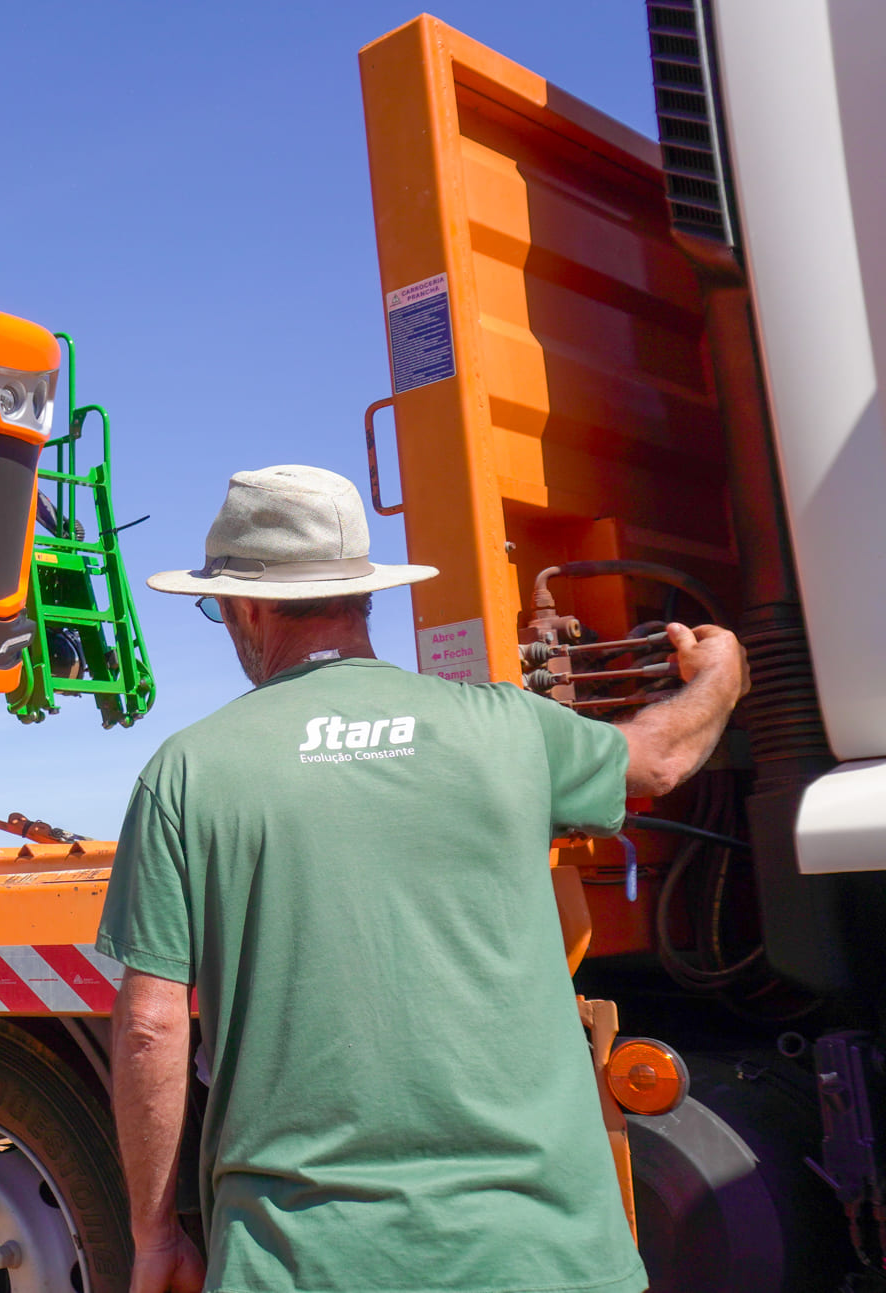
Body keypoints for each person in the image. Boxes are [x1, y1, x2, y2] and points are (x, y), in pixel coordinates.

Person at [99, 464, 748, 1293]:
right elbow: (658, 758)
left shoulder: (188, 770)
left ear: (246, 608)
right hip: (545, 1255)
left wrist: (155, 1235)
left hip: (307, 1265)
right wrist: (722, 676)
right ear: (363, 595)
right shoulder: (507, 726)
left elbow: (151, 1026)